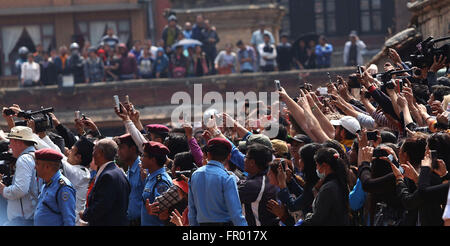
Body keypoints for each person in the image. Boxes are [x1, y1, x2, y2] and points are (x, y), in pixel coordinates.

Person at [188, 138, 248, 226]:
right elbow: (235, 213)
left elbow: (192, 210)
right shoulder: (227, 177)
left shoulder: (195, 175)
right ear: (229, 157)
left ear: (208, 155)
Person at [80, 138, 130, 226]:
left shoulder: (108, 176)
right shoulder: (117, 172)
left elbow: (102, 205)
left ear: (100, 152)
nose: (92, 153)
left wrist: (85, 215)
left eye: (94, 150)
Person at [0, 126, 40, 226]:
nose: (9, 146)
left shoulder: (24, 159)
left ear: (18, 142)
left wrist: (2, 189)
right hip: (32, 217)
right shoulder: (36, 155)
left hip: (23, 220)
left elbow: (20, 190)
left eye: (11, 142)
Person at [301, 147, 350, 226]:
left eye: (317, 165)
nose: (316, 168)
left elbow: (318, 218)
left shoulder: (328, 188)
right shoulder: (339, 182)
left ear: (324, 165)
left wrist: (307, 217)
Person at [33, 148, 76, 226]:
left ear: (47, 167)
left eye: (37, 164)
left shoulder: (63, 187)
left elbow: (69, 220)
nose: (34, 167)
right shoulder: (47, 183)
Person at [238, 144, 279, 226]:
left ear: (252, 162)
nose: (244, 159)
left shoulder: (254, 185)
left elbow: (226, 197)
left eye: (246, 157)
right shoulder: (268, 177)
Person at [141, 141, 173, 226]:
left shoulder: (161, 181)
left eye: (144, 156)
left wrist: (154, 210)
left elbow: (163, 212)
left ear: (153, 160)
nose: (141, 158)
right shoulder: (151, 177)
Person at [116, 134, 145, 226]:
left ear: (132, 149)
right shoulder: (130, 169)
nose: (119, 152)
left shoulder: (143, 169)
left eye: (122, 148)